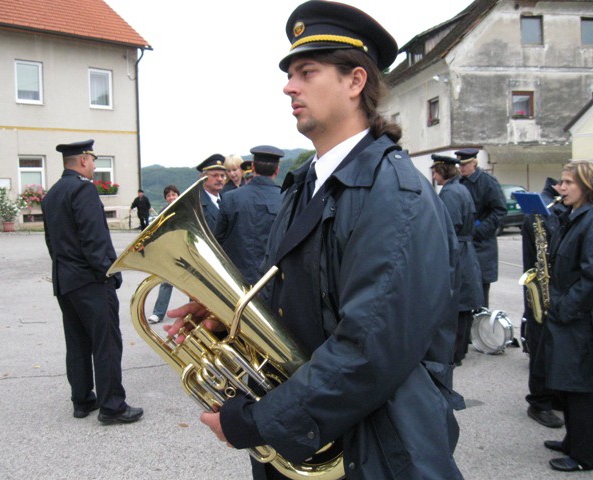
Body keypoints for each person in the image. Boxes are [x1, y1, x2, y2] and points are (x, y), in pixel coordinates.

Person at [167, 2, 464, 478]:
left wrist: (261, 420)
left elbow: (368, 349)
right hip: (307, 437)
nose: (288, 86)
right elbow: (294, 292)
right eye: (290, 73)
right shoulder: (304, 181)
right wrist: (232, 318)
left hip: (374, 448)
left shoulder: (397, 193)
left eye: (307, 71)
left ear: (355, 81)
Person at [41, 139, 143, 424]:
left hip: (65, 280)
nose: (95, 166)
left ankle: (82, 400)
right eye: (94, 160)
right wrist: (109, 274)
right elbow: (94, 239)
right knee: (106, 342)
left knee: (77, 342)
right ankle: (112, 406)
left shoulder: (52, 194)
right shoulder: (83, 189)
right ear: (84, 160)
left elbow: (51, 242)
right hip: (91, 280)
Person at [536, 160, 593, 472]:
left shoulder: (590, 221)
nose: (561, 187)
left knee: (580, 387)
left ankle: (584, 455)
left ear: (586, 186)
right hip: (566, 314)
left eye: (569, 182)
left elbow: (590, 277)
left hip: (578, 317)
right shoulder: (572, 216)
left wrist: (564, 308)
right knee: (568, 384)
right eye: (561, 182)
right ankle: (573, 440)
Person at [522, 177, 566, 428]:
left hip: (553, 288)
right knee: (541, 348)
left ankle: (553, 395)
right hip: (541, 289)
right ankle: (539, 401)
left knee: (553, 348)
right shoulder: (545, 212)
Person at [431, 154, 483, 366]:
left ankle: (454, 353)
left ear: (443, 171)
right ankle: (458, 351)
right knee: (462, 303)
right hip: (463, 249)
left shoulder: (451, 192)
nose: (433, 176)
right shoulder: (459, 188)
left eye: (435, 171)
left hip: (458, 250)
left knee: (458, 303)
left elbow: (449, 227)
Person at [214, 145, 284, 286]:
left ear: (252, 167)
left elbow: (217, 239)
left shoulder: (229, 198)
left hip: (236, 280)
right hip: (273, 282)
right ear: (277, 170)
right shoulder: (287, 198)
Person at [457, 148, 507, 308]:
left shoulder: (487, 182)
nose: (461, 168)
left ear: (474, 163)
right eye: (460, 164)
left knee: (480, 298)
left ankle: (480, 330)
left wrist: (479, 231)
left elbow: (500, 210)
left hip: (482, 247)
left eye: (465, 164)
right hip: (466, 246)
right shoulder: (460, 182)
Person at [147, 185, 180, 324]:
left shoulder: (185, 209)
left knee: (194, 285)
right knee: (166, 283)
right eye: (169, 195)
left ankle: (196, 313)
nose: (172, 197)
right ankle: (158, 313)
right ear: (166, 198)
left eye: (174, 194)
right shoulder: (162, 213)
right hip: (170, 251)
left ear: (178, 195)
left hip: (185, 250)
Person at [196, 153, 226, 231]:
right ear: (203, 177)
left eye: (222, 176)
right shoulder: (197, 205)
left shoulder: (227, 200)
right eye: (215, 175)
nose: (219, 179)